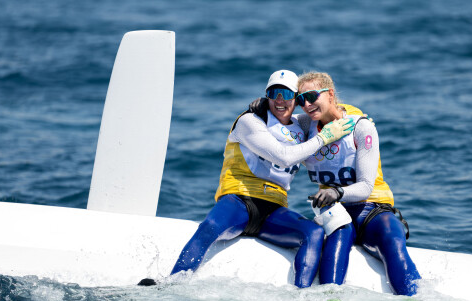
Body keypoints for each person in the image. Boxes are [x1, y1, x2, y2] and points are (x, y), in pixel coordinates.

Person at [143, 70, 355, 288]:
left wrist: (360, 120)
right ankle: (170, 284)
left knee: (314, 233)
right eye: (273, 93)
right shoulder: (250, 121)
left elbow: (328, 111)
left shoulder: (301, 124)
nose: (279, 100)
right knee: (211, 225)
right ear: (266, 97)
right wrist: (324, 137)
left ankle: (301, 297)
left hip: (273, 209)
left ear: (297, 100)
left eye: (286, 94)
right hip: (239, 201)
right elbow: (283, 157)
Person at [297, 71, 421, 295]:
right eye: (300, 99)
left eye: (312, 96)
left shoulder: (362, 127)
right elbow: (277, 118)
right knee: (337, 241)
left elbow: (365, 186)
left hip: (372, 209)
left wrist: (336, 193)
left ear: (330, 94)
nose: (306, 104)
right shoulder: (305, 126)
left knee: (392, 238)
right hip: (337, 214)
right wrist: (259, 108)